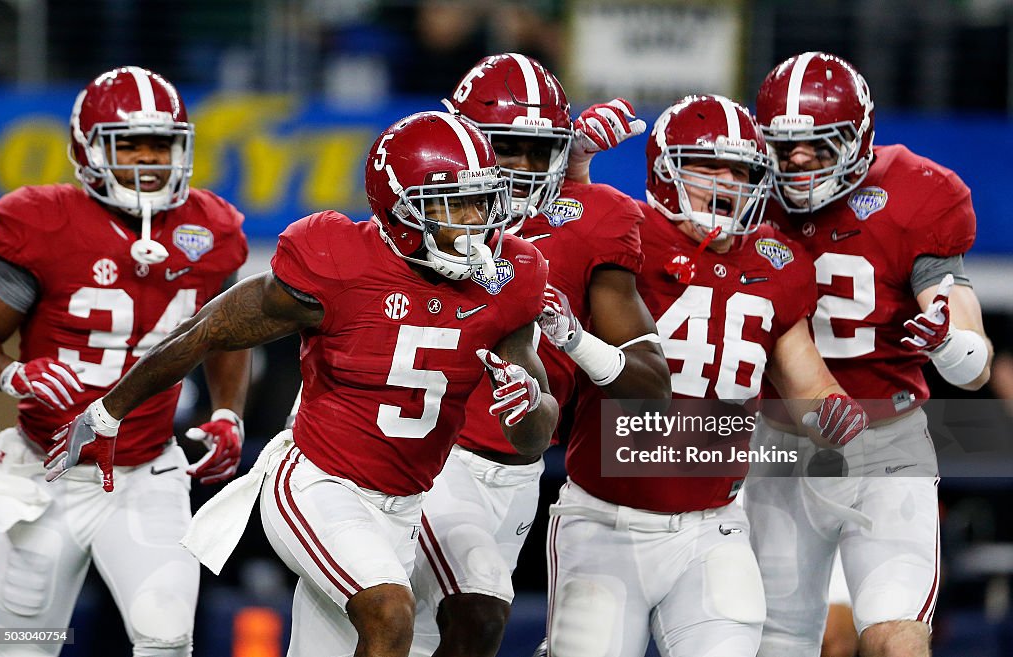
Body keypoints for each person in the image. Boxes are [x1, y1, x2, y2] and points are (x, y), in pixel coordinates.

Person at [44, 110, 560, 657]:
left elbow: (532, 438)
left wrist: (528, 406)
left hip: (407, 502)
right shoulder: (340, 262)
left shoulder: (513, 276)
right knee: (390, 615)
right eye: (452, 203)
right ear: (401, 210)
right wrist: (105, 415)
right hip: (319, 482)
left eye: (480, 200)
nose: (475, 221)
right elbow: (205, 331)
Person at [544, 93, 870, 657]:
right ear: (666, 169)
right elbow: (552, 224)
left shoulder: (778, 262)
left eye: (741, 169)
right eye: (707, 165)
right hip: (604, 522)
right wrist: (574, 168)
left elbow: (809, 385)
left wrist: (834, 415)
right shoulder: (628, 231)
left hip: (713, 526)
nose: (726, 181)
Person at [408, 53, 671, 657]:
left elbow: (650, 382)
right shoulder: (427, 201)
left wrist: (573, 336)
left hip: (520, 465)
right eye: (505, 148)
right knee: (471, 612)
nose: (524, 169)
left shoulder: (597, 217)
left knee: (434, 637)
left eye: (540, 150)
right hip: (427, 451)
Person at [0, 66, 249, 656]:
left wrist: (229, 412)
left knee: (166, 637)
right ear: (88, 149)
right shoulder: (42, 221)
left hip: (145, 473)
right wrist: (12, 373)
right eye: (128, 143)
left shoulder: (211, 229)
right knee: (21, 645)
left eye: (162, 144)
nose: (148, 159)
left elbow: (227, 336)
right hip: (45, 471)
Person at [743, 51, 993, 657]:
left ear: (859, 140)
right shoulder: (741, 194)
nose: (799, 164)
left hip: (885, 444)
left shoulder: (918, 194)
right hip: (776, 444)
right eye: (785, 147)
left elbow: (975, 361)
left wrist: (947, 341)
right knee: (786, 644)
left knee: (896, 640)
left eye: (820, 146)